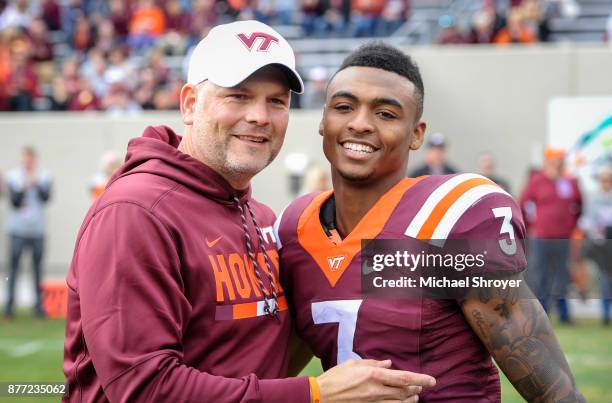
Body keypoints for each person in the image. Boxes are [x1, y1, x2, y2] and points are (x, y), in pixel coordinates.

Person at [63, 21, 434, 403]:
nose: (260, 116)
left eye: (276, 100)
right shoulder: (137, 212)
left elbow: (265, 356)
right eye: (238, 96)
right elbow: (143, 389)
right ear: (190, 103)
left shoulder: (264, 218)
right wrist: (315, 394)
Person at [276, 42, 584, 402]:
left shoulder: (449, 216)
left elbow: (551, 386)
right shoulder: (295, 229)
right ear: (323, 119)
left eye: (386, 114)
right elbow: (276, 368)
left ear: (417, 134)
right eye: (344, 107)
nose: (360, 124)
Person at [520, 147, 582, 323]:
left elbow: (579, 205)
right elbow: (523, 204)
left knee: (562, 275)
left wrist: (571, 225)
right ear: (546, 161)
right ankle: (541, 312)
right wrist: (531, 226)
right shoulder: (537, 181)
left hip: (563, 237)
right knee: (540, 275)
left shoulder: (570, 182)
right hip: (541, 238)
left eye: (559, 159)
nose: (556, 163)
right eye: (553, 159)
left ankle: (563, 313)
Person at [5, 146, 52, 318]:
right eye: (25, 158)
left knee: (37, 269)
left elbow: (46, 197)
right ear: (21, 159)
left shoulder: (44, 176)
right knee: (13, 269)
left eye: (31, 159)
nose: (28, 162)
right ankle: (9, 305)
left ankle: (38, 306)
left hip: (37, 230)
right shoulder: (13, 177)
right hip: (18, 230)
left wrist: (36, 182)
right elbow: (14, 201)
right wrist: (24, 185)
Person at [580, 164, 612, 325]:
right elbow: (588, 221)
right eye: (604, 180)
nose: (606, 183)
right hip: (601, 245)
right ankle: (606, 313)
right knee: (604, 278)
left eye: (609, 180)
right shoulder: (593, 198)